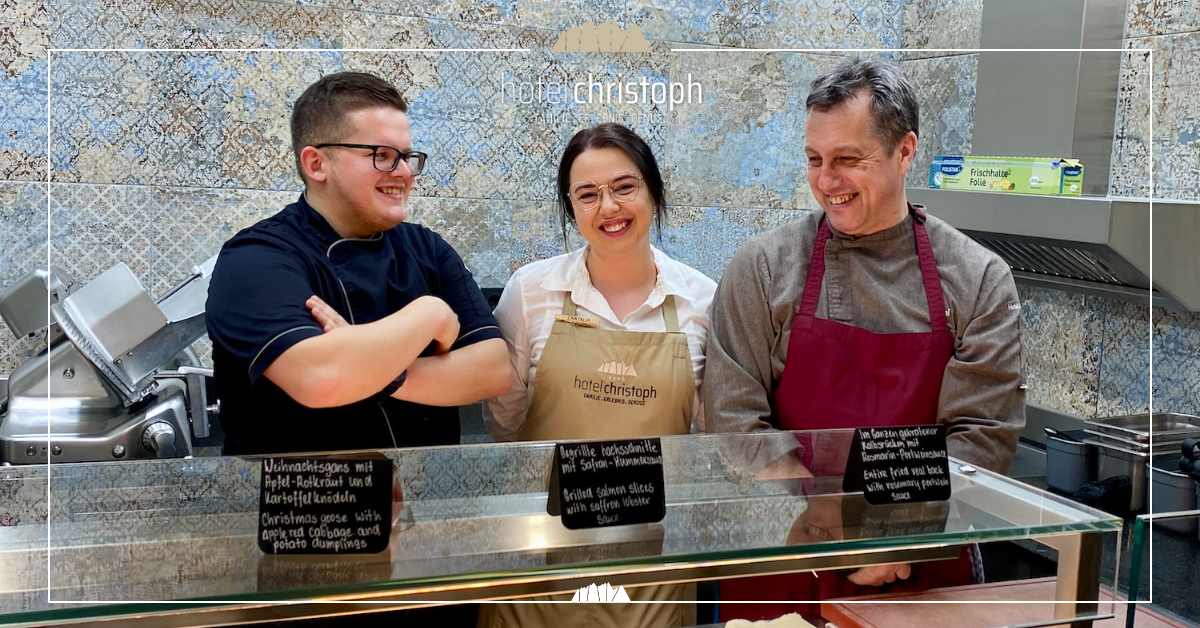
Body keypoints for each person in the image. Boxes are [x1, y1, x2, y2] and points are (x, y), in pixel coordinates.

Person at [704, 58, 1025, 620]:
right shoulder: (763, 267)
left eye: (848, 160)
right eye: (814, 160)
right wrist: (834, 532)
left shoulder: (977, 278)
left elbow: (981, 438)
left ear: (905, 151)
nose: (827, 181)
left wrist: (892, 537)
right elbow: (733, 421)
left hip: (921, 565)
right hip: (788, 558)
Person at [480, 123, 716, 627]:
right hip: (541, 554)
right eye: (587, 195)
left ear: (654, 191)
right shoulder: (531, 291)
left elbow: (703, 434)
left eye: (624, 188)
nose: (608, 208)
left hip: (652, 565)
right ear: (571, 208)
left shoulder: (701, 302)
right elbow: (506, 420)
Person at [206, 71, 510, 456]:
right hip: (297, 506)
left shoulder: (426, 248)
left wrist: (380, 370)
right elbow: (322, 379)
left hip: (421, 505)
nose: (402, 172)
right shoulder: (256, 258)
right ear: (317, 164)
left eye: (406, 157)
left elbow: (494, 370)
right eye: (381, 156)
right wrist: (429, 315)